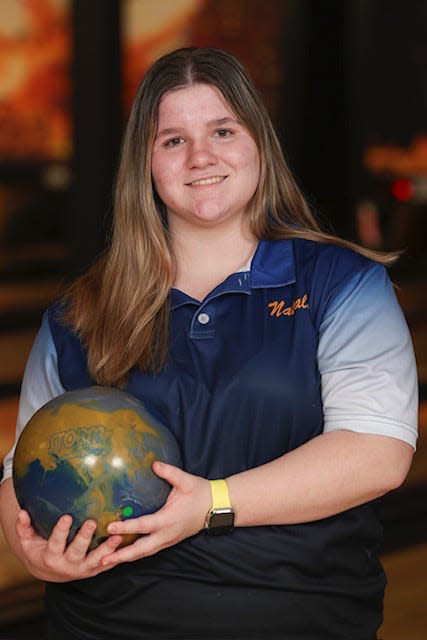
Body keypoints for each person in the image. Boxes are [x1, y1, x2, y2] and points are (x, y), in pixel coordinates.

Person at [0, 47, 418, 640]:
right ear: (145, 163)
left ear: (258, 144)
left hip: (296, 617)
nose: (201, 156)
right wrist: (36, 554)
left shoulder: (342, 284)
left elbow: (379, 452)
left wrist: (211, 505)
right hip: (105, 623)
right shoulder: (79, 313)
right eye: (173, 140)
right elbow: (21, 467)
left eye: (223, 130)